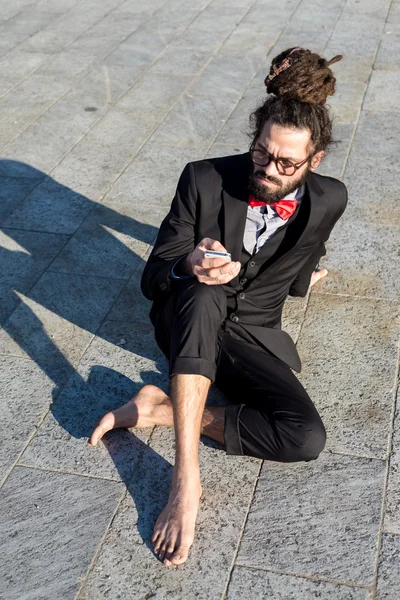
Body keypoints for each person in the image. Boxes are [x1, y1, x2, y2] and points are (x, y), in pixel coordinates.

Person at [89, 47, 347, 568]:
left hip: (252, 334)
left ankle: (165, 409)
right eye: (261, 153)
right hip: (186, 316)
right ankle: (185, 481)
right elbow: (153, 274)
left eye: (286, 163)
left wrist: (305, 282)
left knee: (305, 437)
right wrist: (189, 262)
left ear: (314, 161)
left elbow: (304, 254)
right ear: (254, 139)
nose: (268, 168)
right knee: (205, 294)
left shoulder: (330, 199)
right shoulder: (203, 179)